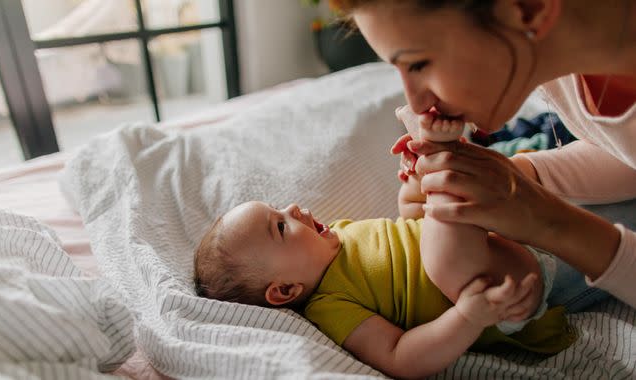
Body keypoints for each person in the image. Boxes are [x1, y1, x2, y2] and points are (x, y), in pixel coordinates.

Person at [332, 0, 636, 309]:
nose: (419, 104)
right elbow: (624, 151)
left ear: (528, 8)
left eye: (419, 64)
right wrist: (517, 176)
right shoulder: (566, 58)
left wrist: (547, 220)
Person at [193, 198, 575, 379]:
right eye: (279, 226)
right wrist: (467, 317)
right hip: (498, 292)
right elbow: (400, 357)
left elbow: (408, 229)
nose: (293, 208)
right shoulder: (331, 306)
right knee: (447, 214)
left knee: (438, 209)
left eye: (279, 207)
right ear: (285, 291)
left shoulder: (340, 233)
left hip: (512, 240)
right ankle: (443, 154)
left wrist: (410, 194)